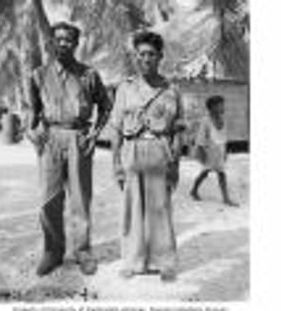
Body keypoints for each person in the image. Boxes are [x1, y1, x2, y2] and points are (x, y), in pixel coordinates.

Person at [25, 22, 112, 276]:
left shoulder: (89, 75)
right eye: (59, 39)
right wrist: (32, 132)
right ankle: (52, 252)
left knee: (80, 200)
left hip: (78, 137)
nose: (63, 43)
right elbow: (33, 110)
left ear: (76, 44)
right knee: (48, 200)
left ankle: (83, 251)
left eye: (69, 40)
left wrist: (94, 134)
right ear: (51, 43)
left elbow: (105, 106)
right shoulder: (38, 75)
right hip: (50, 138)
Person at [111, 30, 185, 281]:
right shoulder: (125, 88)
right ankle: (133, 261)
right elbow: (116, 129)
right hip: (132, 151)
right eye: (141, 54)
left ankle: (164, 262)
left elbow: (178, 129)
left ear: (160, 57)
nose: (145, 59)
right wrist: (116, 165)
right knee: (132, 210)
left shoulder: (171, 90)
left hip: (160, 152)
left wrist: (175, 163)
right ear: (135, 57)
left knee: (161, 208)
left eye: (151, 54)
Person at [189, 95, 239, 207]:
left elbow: (223, 136)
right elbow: (200, 138)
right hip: (209, 151)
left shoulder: (223, 120)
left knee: (220, 173)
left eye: (223, 105)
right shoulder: (206, 121)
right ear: (211, 108)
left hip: (219, 151)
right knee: (206, 173)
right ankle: (194, 190)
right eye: (219, 105)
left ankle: (225, 197)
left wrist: (225, 151)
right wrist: (202, 153)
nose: (222, 107)